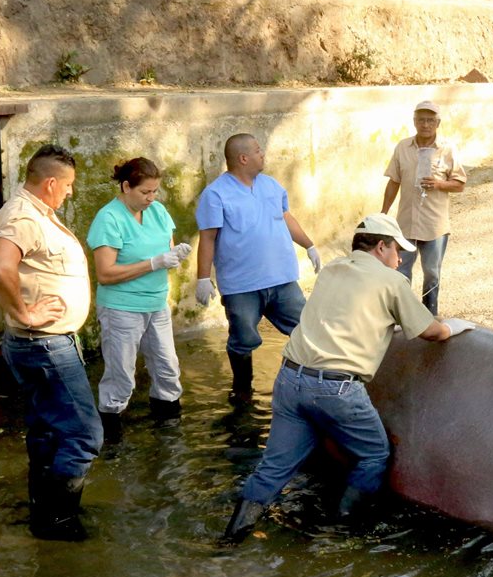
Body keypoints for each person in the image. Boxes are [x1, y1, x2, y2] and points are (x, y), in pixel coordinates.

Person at [221, 214, 473, 544]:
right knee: (373, 455)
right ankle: (341, 532)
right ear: (381, 246)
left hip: (289, 378)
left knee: (273, 469)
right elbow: (431, 331)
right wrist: (456, 326)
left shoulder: (332, 270)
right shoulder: (391, 282)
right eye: (398, 251)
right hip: (335, 389)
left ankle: (229, 540)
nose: (400, 260)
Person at [0, 145, 102, 541]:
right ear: (51, 182)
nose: (70, 193)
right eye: (67, 186)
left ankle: (41, 514)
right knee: (85, 434)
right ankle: (59, 522)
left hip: (43, 343)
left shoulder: (36, 212)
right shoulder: (23, 217)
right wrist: (26, 313)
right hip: (44, 343)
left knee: (48, 431)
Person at [194, 133, 322, 399]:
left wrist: (309, 245)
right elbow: (208, 237)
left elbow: (286, 217)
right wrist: (203, 278)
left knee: (308, 331)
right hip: (242, 285)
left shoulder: (271, 185)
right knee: (242, 340)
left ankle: (314, 385)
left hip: (282, 280)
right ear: (243, 158)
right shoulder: (216, 194)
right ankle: (242, 390)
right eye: (257, 150)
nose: (262, 153)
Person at [86, 158, 192, 441]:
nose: (151, 197)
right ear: (126, 187)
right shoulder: (109, 218)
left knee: (168, 367)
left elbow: (165, 249)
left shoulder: (157, 211)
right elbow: (106, 274)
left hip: (156, 304)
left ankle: (169, 431)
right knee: (121, 375)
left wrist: (175, 255)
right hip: (122, 308)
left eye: (155, 191)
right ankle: (111, 437)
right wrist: (155, 262)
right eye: (145, 192)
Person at [380, 100, 466, 315]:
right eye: (421, 120)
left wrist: (439, 184)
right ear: (414, 122)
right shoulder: (403, 147)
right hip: (405, 224)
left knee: (432, 273)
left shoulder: (447, 149)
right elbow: (393, 181)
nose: (425, 124)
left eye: (430, 120)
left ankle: (430, 316)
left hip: (434, 225)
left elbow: (459, 184)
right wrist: (383, 213)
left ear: (437, 123)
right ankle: (402, 316)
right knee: (400, 271)